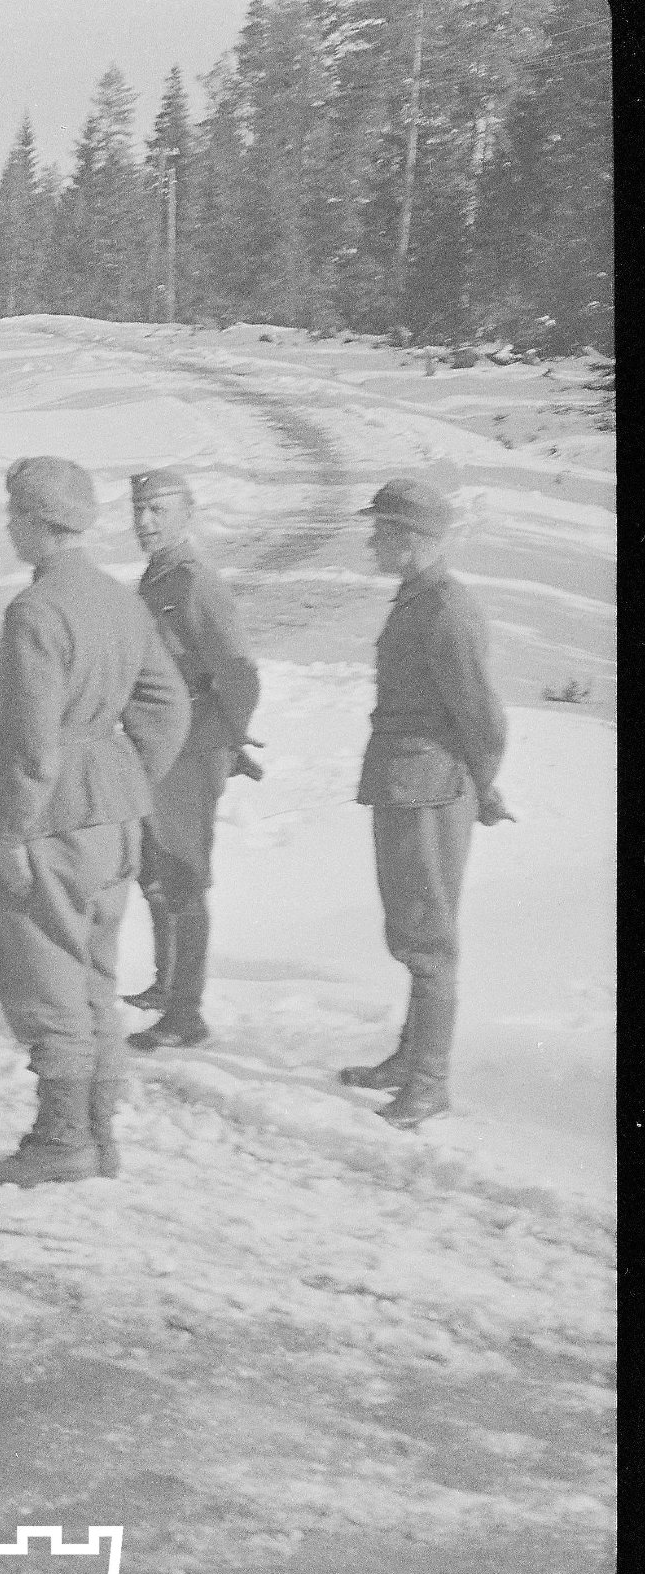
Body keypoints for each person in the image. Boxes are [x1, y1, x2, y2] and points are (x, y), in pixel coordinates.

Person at [0, 457, 190, 1186]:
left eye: (16, 516)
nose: (10, 528)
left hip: (54, 818)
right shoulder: (119, 600)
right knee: (95, 971)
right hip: (115, 813)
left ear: (38, 524)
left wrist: (13, 831)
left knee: (47, 972)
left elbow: (32, 744)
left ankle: (61, 1139)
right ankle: (98, 1130)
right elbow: (168, 707)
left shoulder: (36, 611)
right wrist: (125, 774)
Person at [336, 477, 510, 1130]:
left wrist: (481, 783)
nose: (372, 543)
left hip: (430, 786)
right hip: (408, 782)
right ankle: (412, 1057)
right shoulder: (419, 599)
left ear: (410, 539)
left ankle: (430, 1081)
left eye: (380, 531)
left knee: (429, 937)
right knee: (412, 926)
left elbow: (483, 715)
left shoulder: (446, 609)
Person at [122, 468, 263, 1053]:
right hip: (159, 745)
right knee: (155, 869)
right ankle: (166, 984)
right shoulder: (158, 576)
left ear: (189, 514)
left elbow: (239, 673)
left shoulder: (194, 582)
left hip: (190, 747)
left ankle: (186, 1014)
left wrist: (227, 738)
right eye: (139, 509)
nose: (145, 521)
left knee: (182, 877)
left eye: (158, 509)